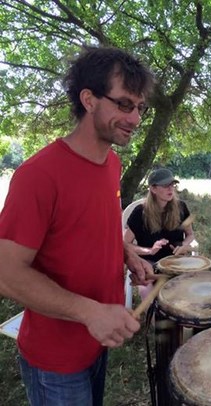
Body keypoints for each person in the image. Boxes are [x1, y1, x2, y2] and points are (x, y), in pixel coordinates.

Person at [0, 46, 156, 406]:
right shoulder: (38, 175)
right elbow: (6, 274)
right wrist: (90, 312)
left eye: (140, 107)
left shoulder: (112, 164)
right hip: (55, 360)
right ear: (89, 99)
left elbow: (97, 227)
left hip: (98, 340)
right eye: (124, 104)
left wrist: (127, 254)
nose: (135, 118)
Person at [124, 168, 198, 264]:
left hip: (176, 261)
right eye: (165, 185)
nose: (170, 188)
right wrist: (149, 251)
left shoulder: (181, 207)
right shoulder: (140, 212)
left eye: (172, 184)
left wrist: (184, 245)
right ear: (153, 189)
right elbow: (125, 244)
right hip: (149, 263)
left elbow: (190, 234)